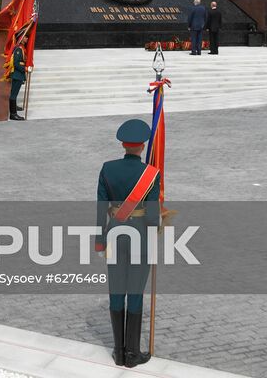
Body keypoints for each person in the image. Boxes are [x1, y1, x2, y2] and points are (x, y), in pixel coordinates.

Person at [95, 118, 160, 369]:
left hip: (114, 232)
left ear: (123, 144)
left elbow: (101, 208)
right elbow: (152, 214)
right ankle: (133, 353)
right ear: (142, 146)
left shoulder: (107, 168)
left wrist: (100, 240)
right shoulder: (150, 173)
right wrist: (156, 229)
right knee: (134, 291)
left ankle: (118, 351)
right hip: (140, 234)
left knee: (115, 289)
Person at [8, 30, 28, 121]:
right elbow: (16, 63)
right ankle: (13, 114)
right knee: (13, 95)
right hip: (17, 75)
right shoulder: (19, 49)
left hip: (18, 75)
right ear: (21, 37)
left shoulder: (21, 48)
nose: (27, 39)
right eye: (25, 37)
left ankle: (14, 109)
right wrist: (25, 69)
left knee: (14, 94)